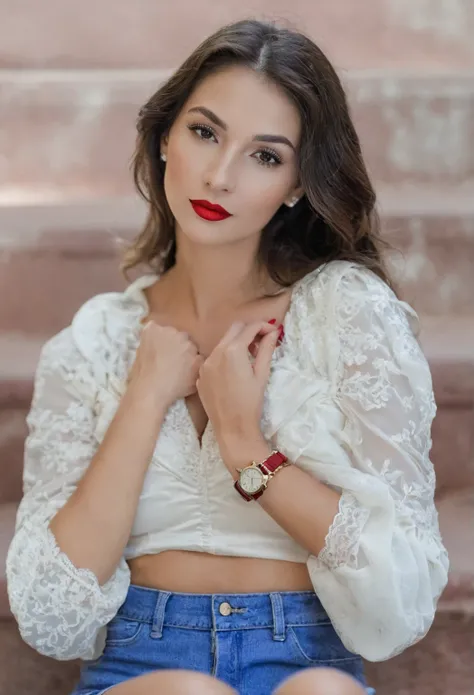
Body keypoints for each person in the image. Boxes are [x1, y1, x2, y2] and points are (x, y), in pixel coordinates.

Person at [6, 18, 449, 695]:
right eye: (205, 132)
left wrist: (247, 446)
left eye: (265, 156)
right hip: (142, 665)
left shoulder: (348, 314)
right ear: (163, 138)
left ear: (299, 182)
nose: (219, 175)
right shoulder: (98, 338)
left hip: (310, 654)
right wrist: (145, 398)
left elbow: (400, 596)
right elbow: (51, 613)